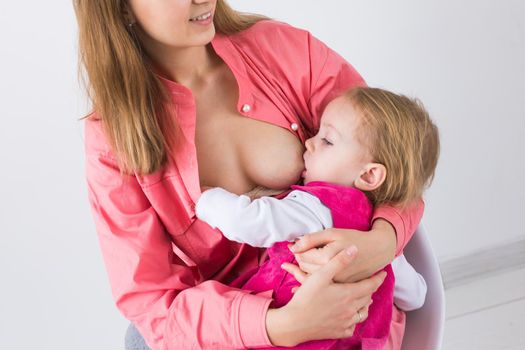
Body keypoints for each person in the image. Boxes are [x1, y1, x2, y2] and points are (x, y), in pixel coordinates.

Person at [75, 0, 425, 349]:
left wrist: (381, 242)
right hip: (245, 324)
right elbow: (150, 299)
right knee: (139, 340)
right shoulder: (112, 138)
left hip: (354, 312)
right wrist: (280, 325)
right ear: (118, 8)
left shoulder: (280, 49)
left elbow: (394, 155)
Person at [196, 87, 437, 349]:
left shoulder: (315, 208)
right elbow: (416, 296)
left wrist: (206, 200)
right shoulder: (380, 243)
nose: (309, 142)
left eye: (327, 141)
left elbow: (248, 221)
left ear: (369, 175)